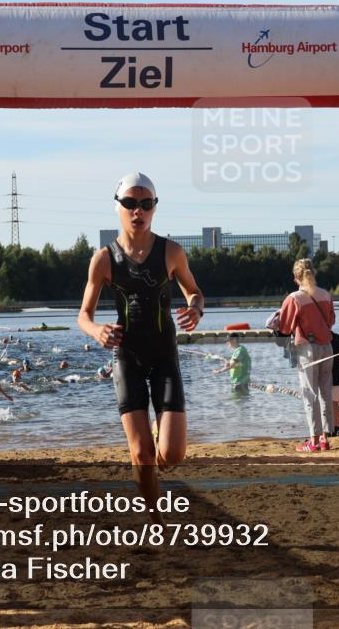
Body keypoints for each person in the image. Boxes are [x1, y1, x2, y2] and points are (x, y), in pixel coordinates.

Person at [77, 171, 204, 516]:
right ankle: (155, 516)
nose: (138, 211)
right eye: (131, 204)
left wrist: (195, 309)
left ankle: (156, 442)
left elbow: (194, 292)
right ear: (117, 207)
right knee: (142, 455)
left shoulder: (171, 252)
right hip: (127, 358)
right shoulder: (104, 259)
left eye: (146, 204)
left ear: (154, 208)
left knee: (172, 456)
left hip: (164, 357)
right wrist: (96, 331)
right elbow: (83, 315)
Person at [278, 258, 336, 453]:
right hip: (327, 346)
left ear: (296, 277)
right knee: (326, 392)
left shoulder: (294, 298)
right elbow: (331, 321)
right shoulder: (326, 295)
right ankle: (326, 438)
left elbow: (284, 328)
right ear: (314, 273)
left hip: (307, 349)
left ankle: (313, 440)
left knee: (309, 393)